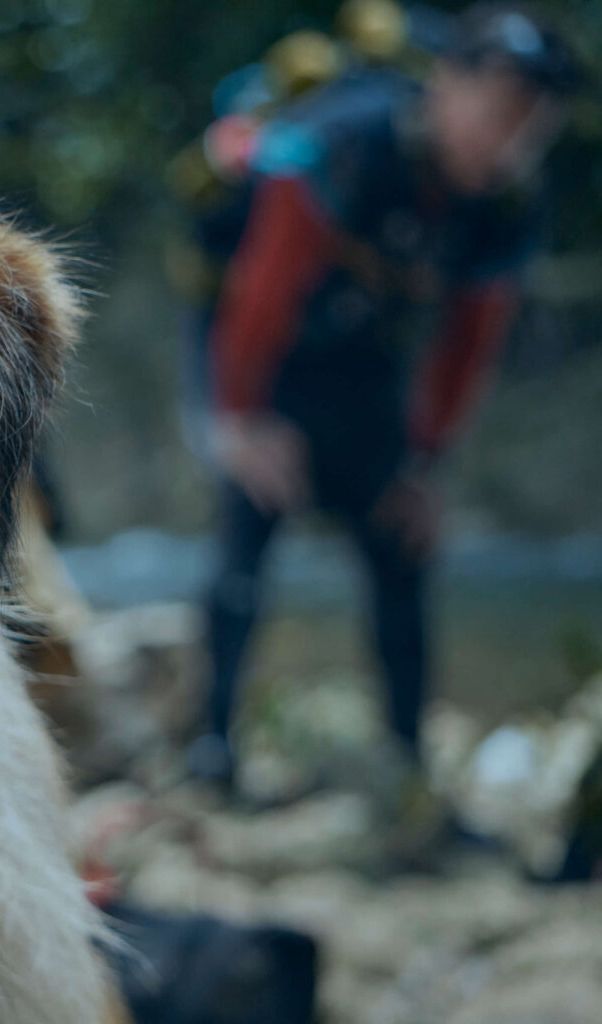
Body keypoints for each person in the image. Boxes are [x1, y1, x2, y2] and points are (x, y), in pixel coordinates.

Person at [187, 4, 586, 788]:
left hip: (366, 358)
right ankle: (211, 753)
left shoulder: (507, 202)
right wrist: (238, 421)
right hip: (255, 347)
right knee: (247, 529)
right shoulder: (344, 143)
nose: (507, 142)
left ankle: (406, 765)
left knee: (403, 538)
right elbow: (263, 289)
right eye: (496, 114)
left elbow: (470, 340)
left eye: (531, 128)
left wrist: (426, 463)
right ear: (445, 83)